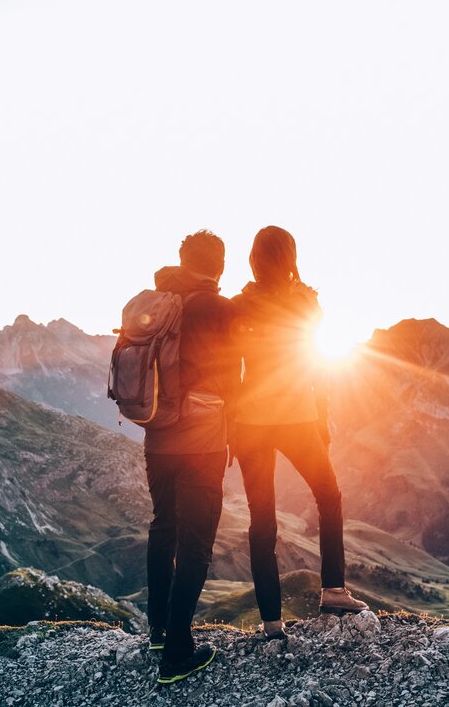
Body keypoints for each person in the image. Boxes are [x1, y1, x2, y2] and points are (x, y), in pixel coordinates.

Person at [232, 225, 368, 639]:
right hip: (295, 416)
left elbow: (227, 365)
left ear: (253, 260)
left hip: (249, 422)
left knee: (262, 521)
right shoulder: (305, 302)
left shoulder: (240, 304)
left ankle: (272, 621)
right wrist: (322, 419)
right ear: (291, 259)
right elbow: (316, 364)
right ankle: (333, 590)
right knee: (329, 496)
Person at [144, 230, 240, 684]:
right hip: (201, 440)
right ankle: (178, 654)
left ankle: (159, 631)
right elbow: (235, 377)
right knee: (196, 545)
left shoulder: (159, 303)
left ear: (183, 261)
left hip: (156, 436)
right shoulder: (217, 308)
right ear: (219, 267)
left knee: (163, 526)